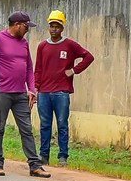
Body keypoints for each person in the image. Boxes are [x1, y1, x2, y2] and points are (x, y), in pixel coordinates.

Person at [0, 12, 49, 178]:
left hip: (20, 93)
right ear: (17, 24)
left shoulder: (24, 42)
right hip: (2, 92)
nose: (27, 30)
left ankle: (35, 165)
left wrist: (32, 88)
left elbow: (29, 67)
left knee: (26, 129)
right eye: (26, 26)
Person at [33, 10, 93, 165]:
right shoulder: (42, 46)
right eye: (51, 26)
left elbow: (88, 57)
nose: (54, 29)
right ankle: (44, 155)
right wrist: (36, 88)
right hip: (44, 92)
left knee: (62, 124)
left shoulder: (70, 45)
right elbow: (38, 68)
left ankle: (63, 156)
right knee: (45, 124)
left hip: (62, 91)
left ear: (62, 28)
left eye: (57, 26)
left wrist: (74, 70)